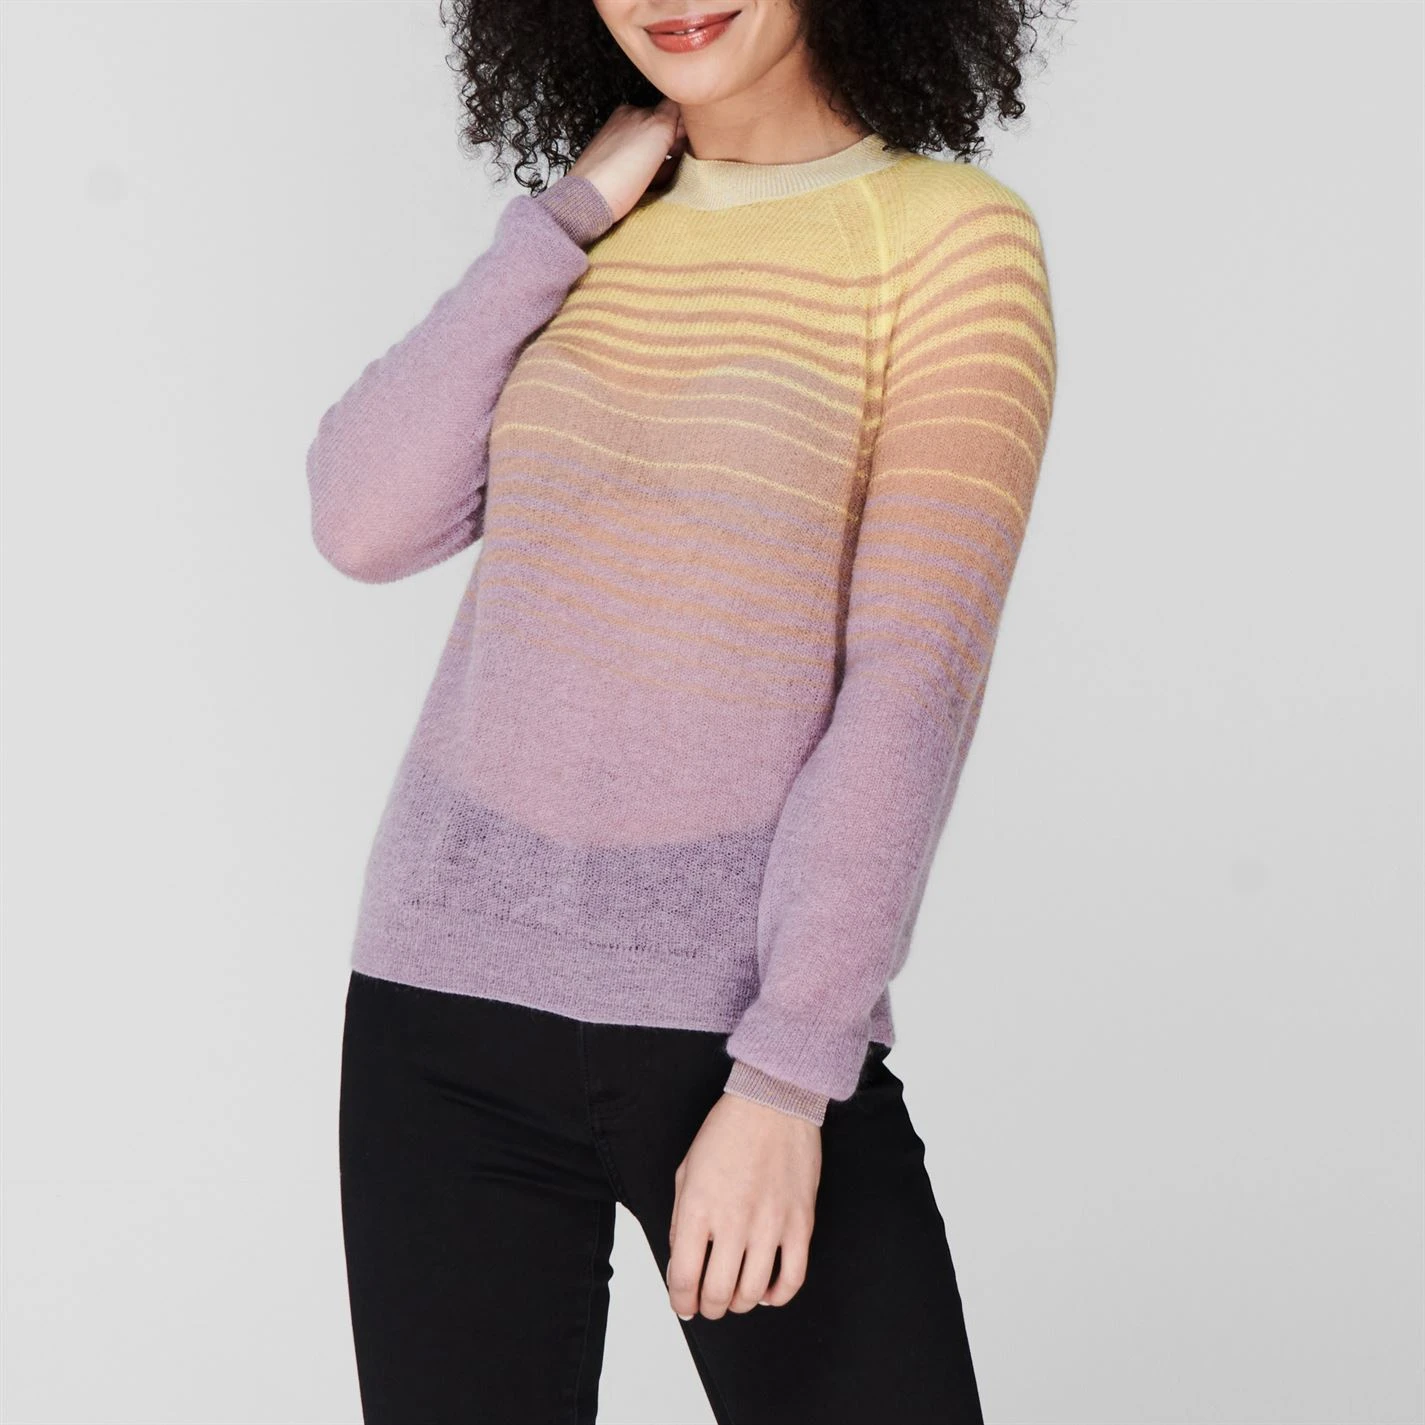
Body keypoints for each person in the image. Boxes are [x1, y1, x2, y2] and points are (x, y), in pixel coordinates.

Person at [306, 1, 1062, 1419]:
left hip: (736, 1027)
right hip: (442, 1006)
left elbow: (909, 690)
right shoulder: (589, 244)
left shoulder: (947, 241)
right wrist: (566, 215)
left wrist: (786, 1077)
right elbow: (362, 517)